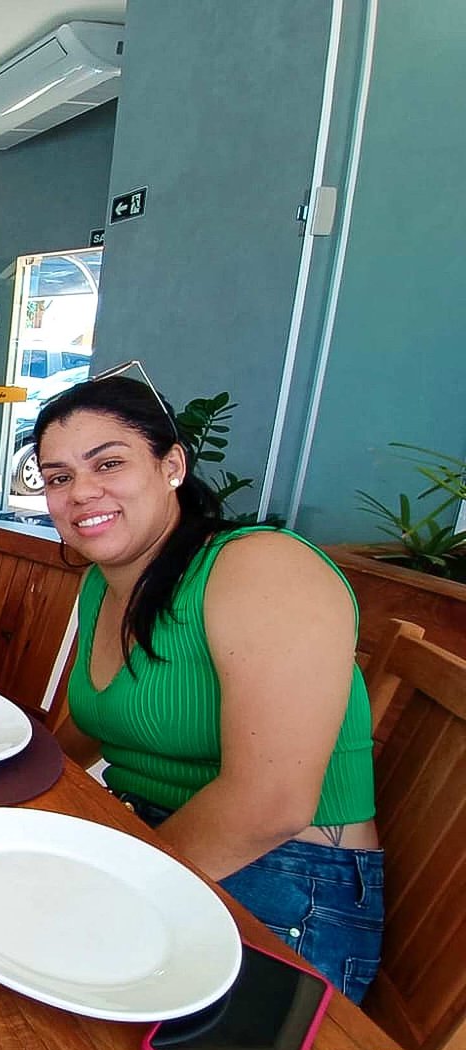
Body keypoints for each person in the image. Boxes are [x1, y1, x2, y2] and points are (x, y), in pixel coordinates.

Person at [33, 373, 382, 1000]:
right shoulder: (103, 583)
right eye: (59, 477)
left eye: (108, 463)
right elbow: (98, 718)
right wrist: (16, 783)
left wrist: (123, 889)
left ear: (171, 466)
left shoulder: (261, 566)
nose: (81, 492)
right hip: (150, 834)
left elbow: (272, 805)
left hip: (288, 876)